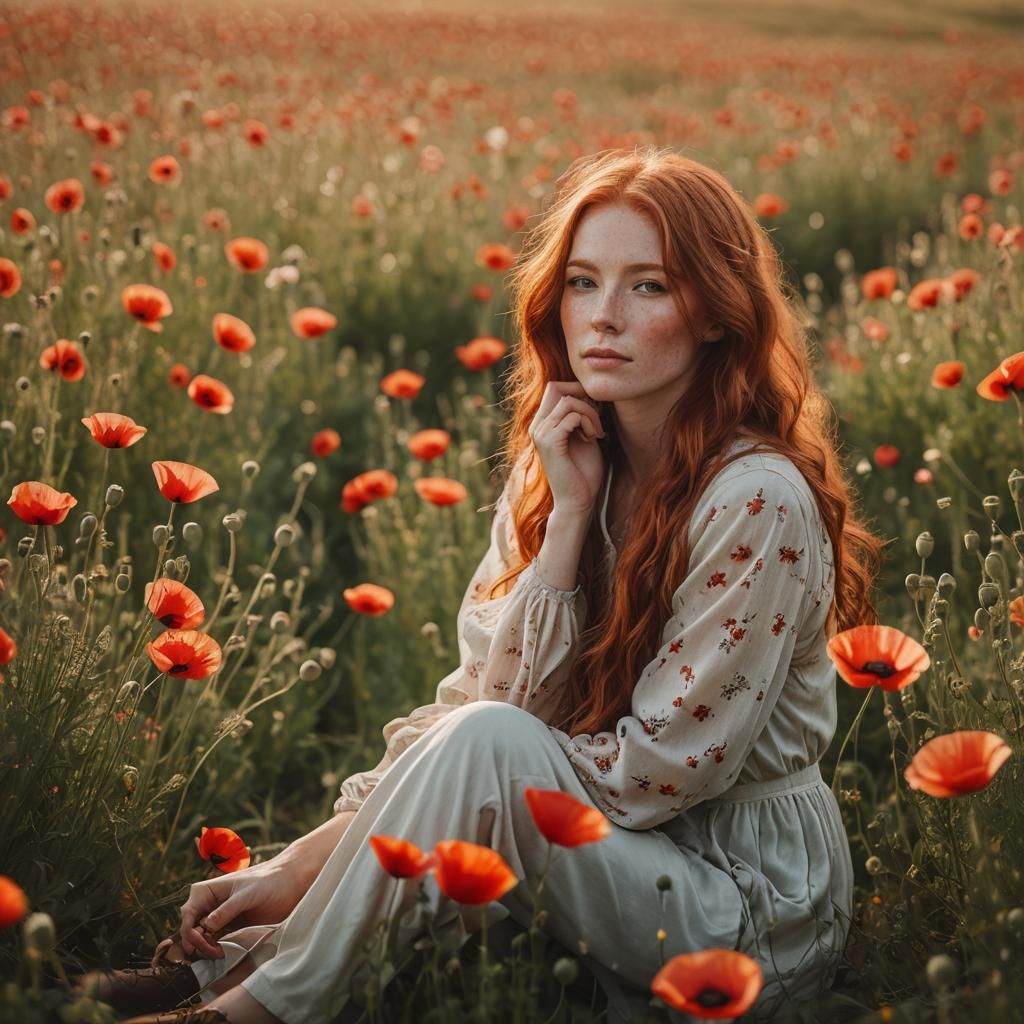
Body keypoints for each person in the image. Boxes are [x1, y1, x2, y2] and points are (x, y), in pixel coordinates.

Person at [77, 146, 882, 1023]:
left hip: (743, 905)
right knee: (486, 736)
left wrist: (341, 849)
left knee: (492, 744)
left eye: (649, 286)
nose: (604, 316)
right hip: (601, 857)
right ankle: (223, 979)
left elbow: (648, 775)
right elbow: (478, 705)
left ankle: (248, 1013)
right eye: (582, 282)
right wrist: (569, 522)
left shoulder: (755, 498)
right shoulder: (563, 462)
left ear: (718, 314)